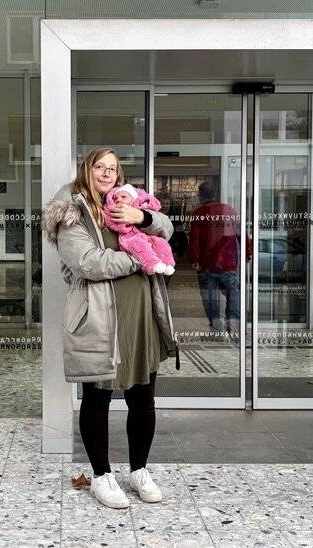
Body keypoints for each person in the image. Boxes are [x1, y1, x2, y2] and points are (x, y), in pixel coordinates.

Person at [42, 147, 179, 509]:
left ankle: (138, 470)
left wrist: (142, 217)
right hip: (99, 317)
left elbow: (167, 229)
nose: (107, 173)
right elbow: (87, 262)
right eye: (100, 166)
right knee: (98, 397)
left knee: (142, 397)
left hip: (140, 313)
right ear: (87, 169)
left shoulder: (127, 200)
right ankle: (101, 477)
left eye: (113, 168)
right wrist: (141, 257)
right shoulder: (72, 208)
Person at [187, 181, 246, 335]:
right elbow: (242, 235)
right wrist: (248, 252)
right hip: (228, 264)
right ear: (216, 194)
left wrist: (194, 260)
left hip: (206, 265)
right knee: (233, 295)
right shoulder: (230, 211)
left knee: (210, 299)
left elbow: (194, 240)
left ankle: (216, 329)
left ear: (200, 195)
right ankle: (233, 327)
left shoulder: (199, 214)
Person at [103, 183, 176, 275]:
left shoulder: (144, 207)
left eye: (123, 197)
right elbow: (112, 222)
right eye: (115, 198)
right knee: (138, 244)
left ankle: (168, 264)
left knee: (161, 243)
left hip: (148, 239)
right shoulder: (111, 211)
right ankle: (152, 264)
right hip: (131, 236)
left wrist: (143, 217)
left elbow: (167, 227)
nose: (118, 199)